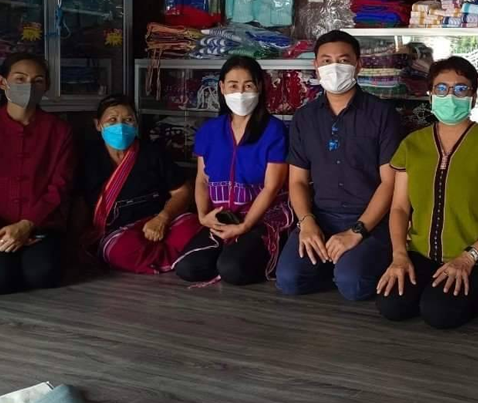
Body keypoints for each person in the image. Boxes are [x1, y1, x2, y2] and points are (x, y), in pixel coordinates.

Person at [376, 56, 478, 329]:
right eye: (441, 88)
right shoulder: (412, 144)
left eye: (460, 89)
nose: (450, 96)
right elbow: (399, 208)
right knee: (392, 305)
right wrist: (399, 255)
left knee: (440, 313)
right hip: (421, 253)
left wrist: (468, 258)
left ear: (473, 97)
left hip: (477, 256)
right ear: (430, 94)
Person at [275, 31, 402, 301]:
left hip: (370, 219)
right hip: (321, 216)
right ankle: (334, 261)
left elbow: (390, 183)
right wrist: (306, 222)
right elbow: (297, 181)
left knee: (352, 284)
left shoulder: (382, 114)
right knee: (288, 279)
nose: (334, 67)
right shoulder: (305, 117)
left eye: (343, 60)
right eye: (326, 60)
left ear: (358, 65)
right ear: (316, 66)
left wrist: (357, 231)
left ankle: (345, 264)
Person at [175, 56, 292, 285]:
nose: (240, 93)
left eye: (248, 85)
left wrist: (244, 226)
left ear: (259, 87)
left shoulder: (274, 130)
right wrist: (203, 217)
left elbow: (272, 187)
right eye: (233, 85)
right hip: (222, 216)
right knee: (188, 267)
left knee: (232, 269)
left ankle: (270, 250)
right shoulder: (209, 131)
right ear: (221, 88)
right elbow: (202, 180)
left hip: (260, 219)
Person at [80, 95, 201, 274]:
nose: (121, 126)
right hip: (120, 232)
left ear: (136, 124)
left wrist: (162, 218)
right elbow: (79, 202)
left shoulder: (152, 153)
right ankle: (186, 258)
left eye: (128, 120)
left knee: (193, 227)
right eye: (112, 120)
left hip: (161, 223)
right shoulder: (89, 159)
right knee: (119, 251)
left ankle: (163, 258)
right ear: (98, 124)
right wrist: (77, 238)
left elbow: (182, 191)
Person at [0, 53, 75, 294]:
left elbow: (60, 185)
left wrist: (27, 225)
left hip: (41, 224)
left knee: (42, 274)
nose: (29, 86)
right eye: (20, 79)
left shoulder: (60, 131)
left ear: (46, 86)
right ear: (3, 82)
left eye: (38, 81)